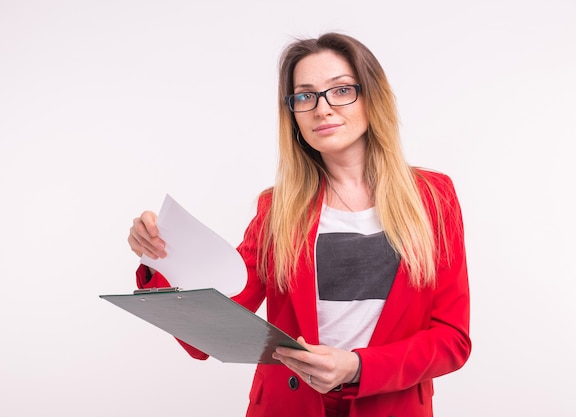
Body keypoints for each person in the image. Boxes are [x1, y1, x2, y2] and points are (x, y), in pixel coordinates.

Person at [128, 32, 470, 417]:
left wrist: (357, 367)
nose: (322, 109)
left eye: (341, 90)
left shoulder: (433, 197)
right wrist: (161, 257)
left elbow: (451, 340)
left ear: (372, 98)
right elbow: (210, 330)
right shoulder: (278, 208)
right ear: (293, 114)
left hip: (390, 406)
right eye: (305, 96)